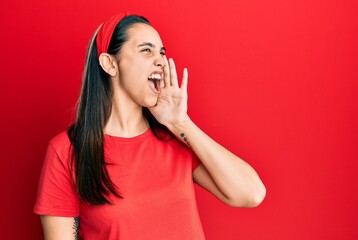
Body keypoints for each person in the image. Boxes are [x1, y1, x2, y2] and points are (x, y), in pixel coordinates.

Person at [34, 12, 266, 240]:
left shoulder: (175, 137)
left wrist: (180, 122)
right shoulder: (67, 151)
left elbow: (251, 194)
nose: (161, 60)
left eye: (162, 52)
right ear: (109, 64)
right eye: (147, 50)